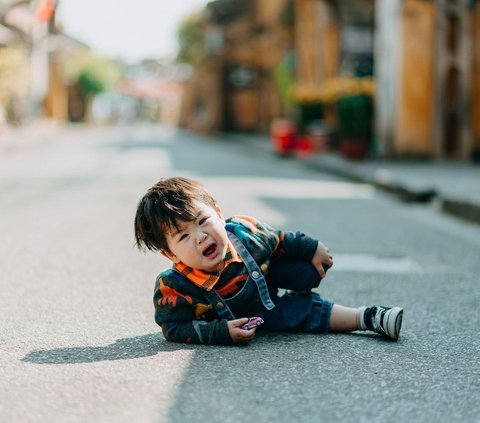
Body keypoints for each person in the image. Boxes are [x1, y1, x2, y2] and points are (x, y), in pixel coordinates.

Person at [134, 177, 403, 345]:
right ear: (170, 254)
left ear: (218, 212)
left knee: (307, 269)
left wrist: (312, 248)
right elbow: (174, 328)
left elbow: (277, 239)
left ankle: (301, 282)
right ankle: (368, 317)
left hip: (265, 278)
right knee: (308, 311)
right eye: (183, 236)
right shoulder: (174, 287)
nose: (201, 237)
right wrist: (221, 332)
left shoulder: (242, 231)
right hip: (259, 316)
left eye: (203, 221)